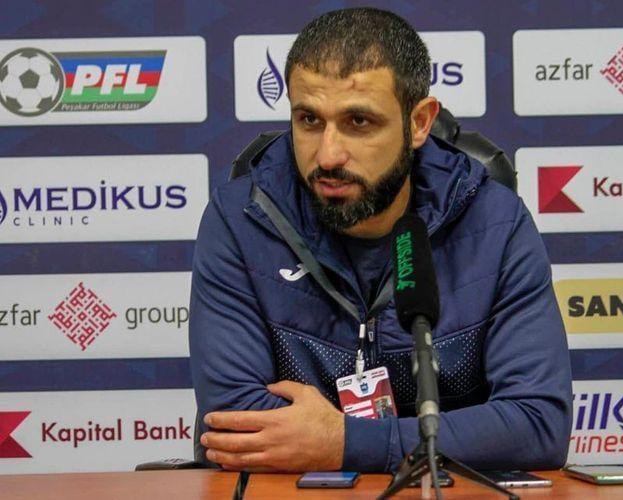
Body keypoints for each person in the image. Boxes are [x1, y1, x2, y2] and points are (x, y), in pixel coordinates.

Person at [189, 7, 572, 474]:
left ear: (419, 123)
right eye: (308, 120)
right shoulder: (242, 221)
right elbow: (236, 425)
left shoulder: (496, 225)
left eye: (359, 122)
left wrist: (347, 443)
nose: (328, 155)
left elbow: (538, 424)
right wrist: (420, 443)